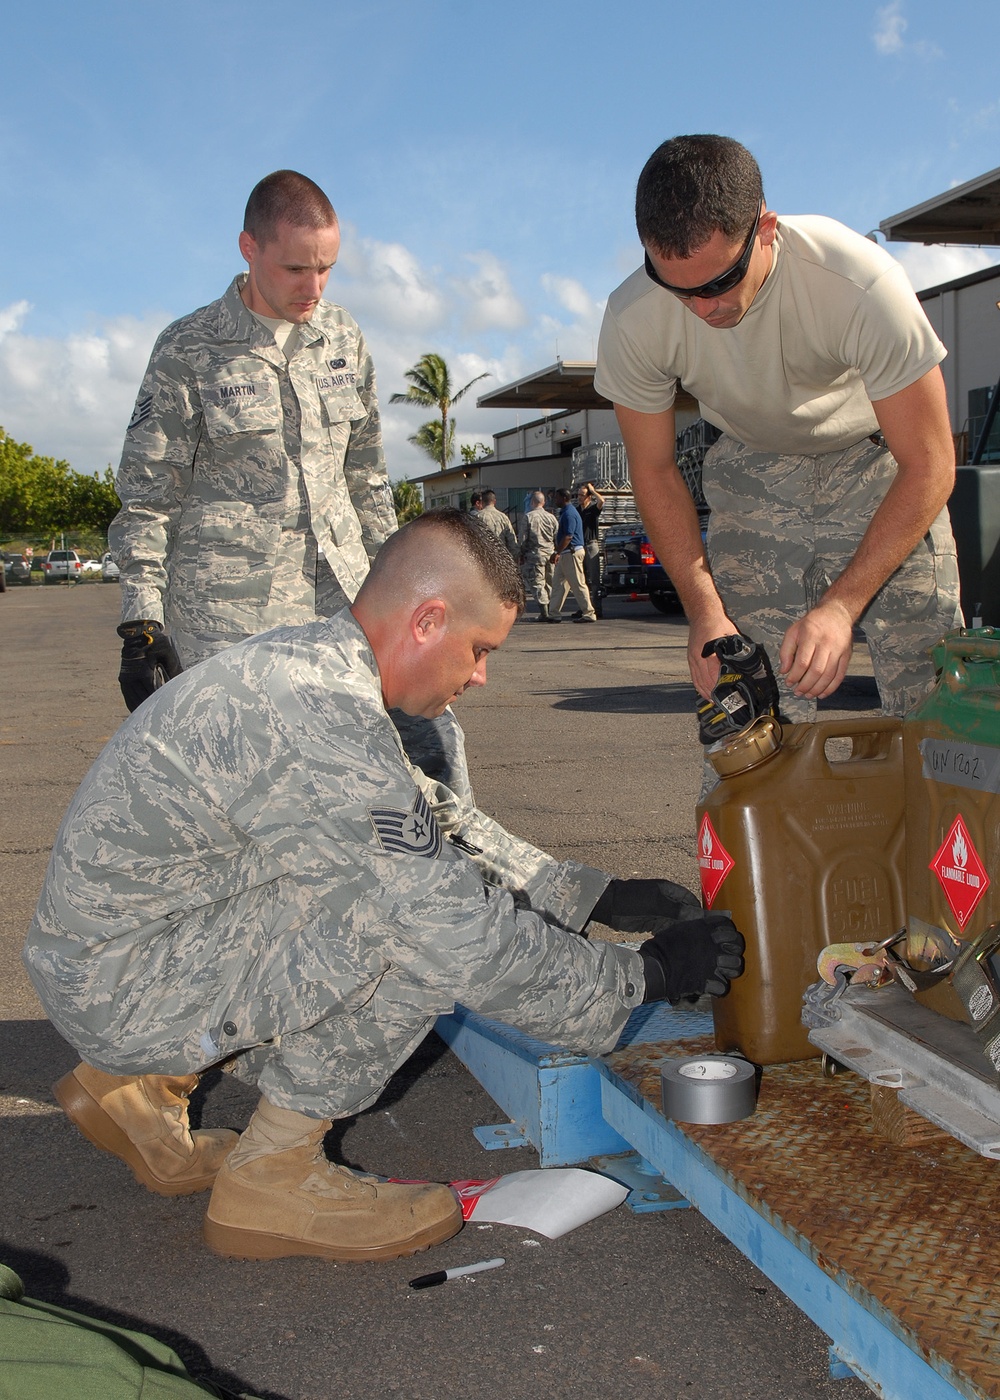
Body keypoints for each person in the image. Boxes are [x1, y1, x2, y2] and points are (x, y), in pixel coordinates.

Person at [24, 511, 743, 1264]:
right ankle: (274, 1173)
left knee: (393, 882)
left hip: (120, 956)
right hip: (126, 989)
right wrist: (644, 977)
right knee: (412, 930)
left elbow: (424, 812)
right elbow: (451, 928)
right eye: (479, 650)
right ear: (429, 620)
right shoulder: (319, 717)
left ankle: (138, 1090)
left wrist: (584, 894)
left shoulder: (310, 667)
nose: (480, 676)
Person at [108, 169, 469, 796]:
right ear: (249, 249)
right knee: (266, 798)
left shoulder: (343, 337)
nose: (315, 287)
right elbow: (147, 498)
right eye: (297, 268)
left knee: (430, 750)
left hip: (348, 596)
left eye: (327, 267)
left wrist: (410, 583)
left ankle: (460, 885)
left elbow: (367, 477)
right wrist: (140, 624)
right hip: (231, 619)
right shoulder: (188, 350)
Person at [594, 134, 962, 722]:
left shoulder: (858, 283)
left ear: (765, 229)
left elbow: (931, 462)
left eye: (719, 282)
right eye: (678, 288)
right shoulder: (633, 317)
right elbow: (655, 471)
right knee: (746, 700)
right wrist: (704, 613)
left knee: (937, 701)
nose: (701, 308)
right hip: (752, 463)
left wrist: (841, 608)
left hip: (875, 465)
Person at [550, 488, 598, 622]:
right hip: (566, 554)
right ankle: (554, 614)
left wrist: (556, 552)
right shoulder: (566, 512)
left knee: (578, 584)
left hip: (571, 553)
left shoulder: (569, 514)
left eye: (557, 498)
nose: (555, 500)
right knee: (558, 584)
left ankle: (589, 613)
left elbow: (568, 536)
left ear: (564, 498)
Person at [518, 490, 558, 621]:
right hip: (550, 554)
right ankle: (553, 609)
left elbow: (523, 538)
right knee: (550, 583)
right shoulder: (551, 517)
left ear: (532, 502)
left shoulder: (528, 517)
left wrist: (521, 553)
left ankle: (544, 612)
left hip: (535, 554)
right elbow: (557, 535)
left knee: (538, 583)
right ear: (544, 502)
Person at [577, 481, 605, 619]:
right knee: (582, 580)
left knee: (594, 579)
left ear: (588, 497)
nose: (579, 498)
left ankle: (597, 608)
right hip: (579, 546)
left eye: (582, 495)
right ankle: (584, 608)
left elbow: (602, 501)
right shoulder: (577, 511)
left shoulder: (593, 509)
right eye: (578, 495)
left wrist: (592, 491)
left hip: (591, 545)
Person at [475, 489, 519, 557]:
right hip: (501, 558)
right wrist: (515, 556)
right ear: (494, 502)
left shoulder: (477, 517)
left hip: (484, 557)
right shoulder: (503, 517)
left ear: (482, 502)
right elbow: (512, 540)